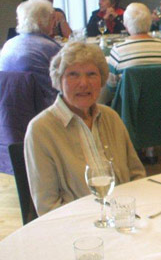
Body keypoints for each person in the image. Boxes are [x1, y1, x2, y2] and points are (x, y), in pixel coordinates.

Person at [24, 42, 145, 215]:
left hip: (124, 218)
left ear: (102, 80)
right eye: (73, 74)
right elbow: (48, 207)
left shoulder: (111, 118)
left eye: (91, 74)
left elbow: (137, 175)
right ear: (59, 80)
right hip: (77, 231)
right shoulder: (40, 130)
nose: (83, 83)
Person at [105, 2, 161, 99]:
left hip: (128, 110)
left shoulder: (118, 52)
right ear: (149, 23)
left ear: (126, 25)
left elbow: (112, 88)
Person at [0, 0, 60, 102]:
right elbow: (65, 81)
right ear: (42, 21)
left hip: (8, 108)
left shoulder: (9, 44)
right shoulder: (49, 47)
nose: (55, 23)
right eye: (52, 18)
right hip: (43, 110)